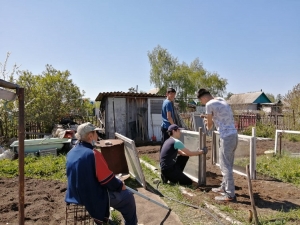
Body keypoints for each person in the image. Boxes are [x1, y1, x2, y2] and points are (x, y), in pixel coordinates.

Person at [65, 122, 138, 225]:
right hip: (92, 198)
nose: (98, 136)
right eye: (96, 133)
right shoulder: (93, 154)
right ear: (90, 136)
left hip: (74, 195)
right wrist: (120, 185)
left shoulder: (70, 153)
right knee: (127, 197)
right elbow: (107, 180)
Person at [197, 88, 238, 202]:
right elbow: (219, 116)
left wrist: (206, 121)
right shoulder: (220, 99)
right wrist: (208, 117)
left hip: (226, 137)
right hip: (234, 135)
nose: (203, 103)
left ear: (204, 98)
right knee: (228, 164)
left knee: (225, 166)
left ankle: (230, 195)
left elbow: (209, 126)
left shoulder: (209, 104)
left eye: (201, 101)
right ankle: (224, 187)